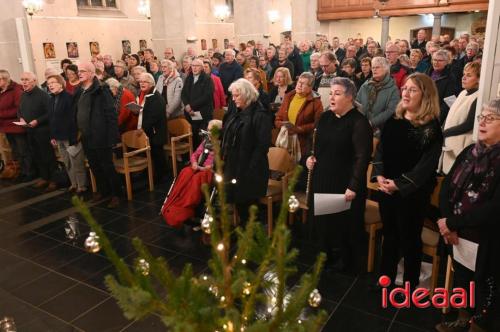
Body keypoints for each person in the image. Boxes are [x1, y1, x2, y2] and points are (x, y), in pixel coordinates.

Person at [372, 73, 443, 290]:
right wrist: (380, 176)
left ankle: (411, 286)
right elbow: (381, 151)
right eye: (404, 88)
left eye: (412, 89)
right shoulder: (394, 120)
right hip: (387, 189)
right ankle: (385, 279)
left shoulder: (431, 129)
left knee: (410, 240)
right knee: (389, 236)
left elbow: (425, 167)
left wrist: (399, 185)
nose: (406, 93)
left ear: (425, 95)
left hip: (412, 194)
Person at [435, 99, 500, 332]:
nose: (482, 122)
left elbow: (493, 209)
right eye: (481, 117)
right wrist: (447, 224)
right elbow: (447, 188)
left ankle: (477, 327)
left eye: (490, 118)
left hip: (486, 240)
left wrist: (452, 223)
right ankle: (462, 321)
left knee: (484, 291)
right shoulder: (469, 151)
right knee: (463, 282)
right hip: (456, 234)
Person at [306, 77, 372, 273]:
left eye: (337, 93)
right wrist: (310, 158)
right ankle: (325, 256)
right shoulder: (325, 117)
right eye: (331, 93)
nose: (332, 97)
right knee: (323, 223)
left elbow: (362, 157)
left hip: (343, 182)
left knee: (341, 224)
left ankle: (344, 261)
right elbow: (314, 143)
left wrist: (353, 185)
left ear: (350, 97)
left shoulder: (359, 123)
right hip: (322, 177)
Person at [222, 78, 272, 223]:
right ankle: (243, 233)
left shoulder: (260, 114)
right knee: (238, 204)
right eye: (233, 95)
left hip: (251, 170)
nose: (233, 99)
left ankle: (252, 237)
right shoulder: (237, 112)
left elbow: (262, 146)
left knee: (248, 208)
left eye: (237, 95)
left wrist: (248, 168)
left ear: (247, 95)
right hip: (235, 166)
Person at [75, 61, 121, 208]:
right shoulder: (79, 90)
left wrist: (113, 137)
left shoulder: (101, 89)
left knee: (106, 165)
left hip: (100, 135)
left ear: (91, 73)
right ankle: (103, 190)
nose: (79, 73)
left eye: (82, 71)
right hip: (86, 136)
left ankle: (116, 194)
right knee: (94, 166)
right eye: (78, 71)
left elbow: (111, 114)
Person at [161, 119, 222, 227]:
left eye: (210, 131)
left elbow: (219, 161)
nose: (208, 133)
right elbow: (195, 154)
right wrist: (194, 163)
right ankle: (176, 201)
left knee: (196, 178)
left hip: (209, 171)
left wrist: (210, 166)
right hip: (198, 166)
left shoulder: (221, 145)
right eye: (207, 130)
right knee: (185, 171)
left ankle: (186, 206)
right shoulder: (205, 141)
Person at [47, 74, 87, 193]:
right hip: (58, 137)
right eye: (48, 84)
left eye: (53, 82)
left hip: (70, 136)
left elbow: (72, 119)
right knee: (67, 163)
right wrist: (52, 136)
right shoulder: (51, 99)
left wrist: (73, 137)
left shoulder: (68, 97)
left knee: (76, 162)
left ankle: (82, 186)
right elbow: (51, 119)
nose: (50, 86)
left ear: (61, 83)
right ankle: (73, 184)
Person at [19, 72, 58, 191]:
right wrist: (20, 117)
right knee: (37, 155)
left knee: (48, 156)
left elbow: (50, 113)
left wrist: (38, 121)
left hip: (43, 131)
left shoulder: (43, 95)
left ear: (34, 81)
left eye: (26, 79)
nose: (24, 82)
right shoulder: (23, 95)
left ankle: (54, 180)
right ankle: (44, 177)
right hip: (30, 130)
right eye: (22, 80)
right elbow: (19, 110)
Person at [440, 62, 480, 175]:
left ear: (478, 79)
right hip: (450, 142)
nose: (463, 77)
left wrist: (445, 132)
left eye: (469, 75)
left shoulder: (478, 96)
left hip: (461, 145)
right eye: (464, 74)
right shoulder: (463, 93)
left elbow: (469, 124)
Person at [275, 72, 323, 159]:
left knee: (298, 169)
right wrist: (281, 125)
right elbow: (278, 118)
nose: (299, 85)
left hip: (303, 144)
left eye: (303, 83)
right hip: (285, 140)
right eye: (298, 82)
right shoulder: (288, 97)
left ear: (310, 87)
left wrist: (299, 129)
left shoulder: (316, 102)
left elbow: (318, 124)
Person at [356, 57, 400, 138]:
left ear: (386, 69)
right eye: (373, 67)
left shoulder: (393, 88)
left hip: (382, 130)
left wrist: (372, 122)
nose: (374, 70)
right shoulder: (366, 84)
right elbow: (357, 101)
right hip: (362, 126)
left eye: (377, 67)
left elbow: (390, 110)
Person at [136, 72, 168, 183]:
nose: (142, 84)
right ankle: (150, 173)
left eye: (145, 82)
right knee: (151, 154)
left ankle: (161, 176)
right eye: (140, 82)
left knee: (158, 154)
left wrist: (143, 128)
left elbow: (154, 116)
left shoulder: (156, 97)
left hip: (156, 131)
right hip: (148, 130)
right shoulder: (142, 94)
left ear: (151, 83)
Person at [0, 69, 31, 181]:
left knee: (23, 151)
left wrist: (1, 114)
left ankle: (29, 172)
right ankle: (21, 172)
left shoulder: (16, 89)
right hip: (7, 127)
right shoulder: (2, 90)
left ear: (4, 79)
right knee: (15, 151)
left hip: (17, 127)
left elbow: (19, 109)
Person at [181, 58, 215, 148]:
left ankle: (203, 158)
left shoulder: (207, 79)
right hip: (190, 113)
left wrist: (191, 106)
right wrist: (187, 105)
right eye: (193, 66)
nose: (194, 68)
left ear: (202, 68)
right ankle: (193, 157)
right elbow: (183, 93)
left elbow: (207, 96)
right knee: (193, 136)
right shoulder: (189, 78)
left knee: (202, 137)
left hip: (203, 113)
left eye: (197, 66)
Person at [426, 49, 460, 124]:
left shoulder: (450, 78)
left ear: (447, 62)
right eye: (434, 60)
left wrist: (438, 119)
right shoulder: (427, 73)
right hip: (423, 111)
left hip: (436, 115)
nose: (436, 62)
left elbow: (449, 102)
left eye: (440, 60)